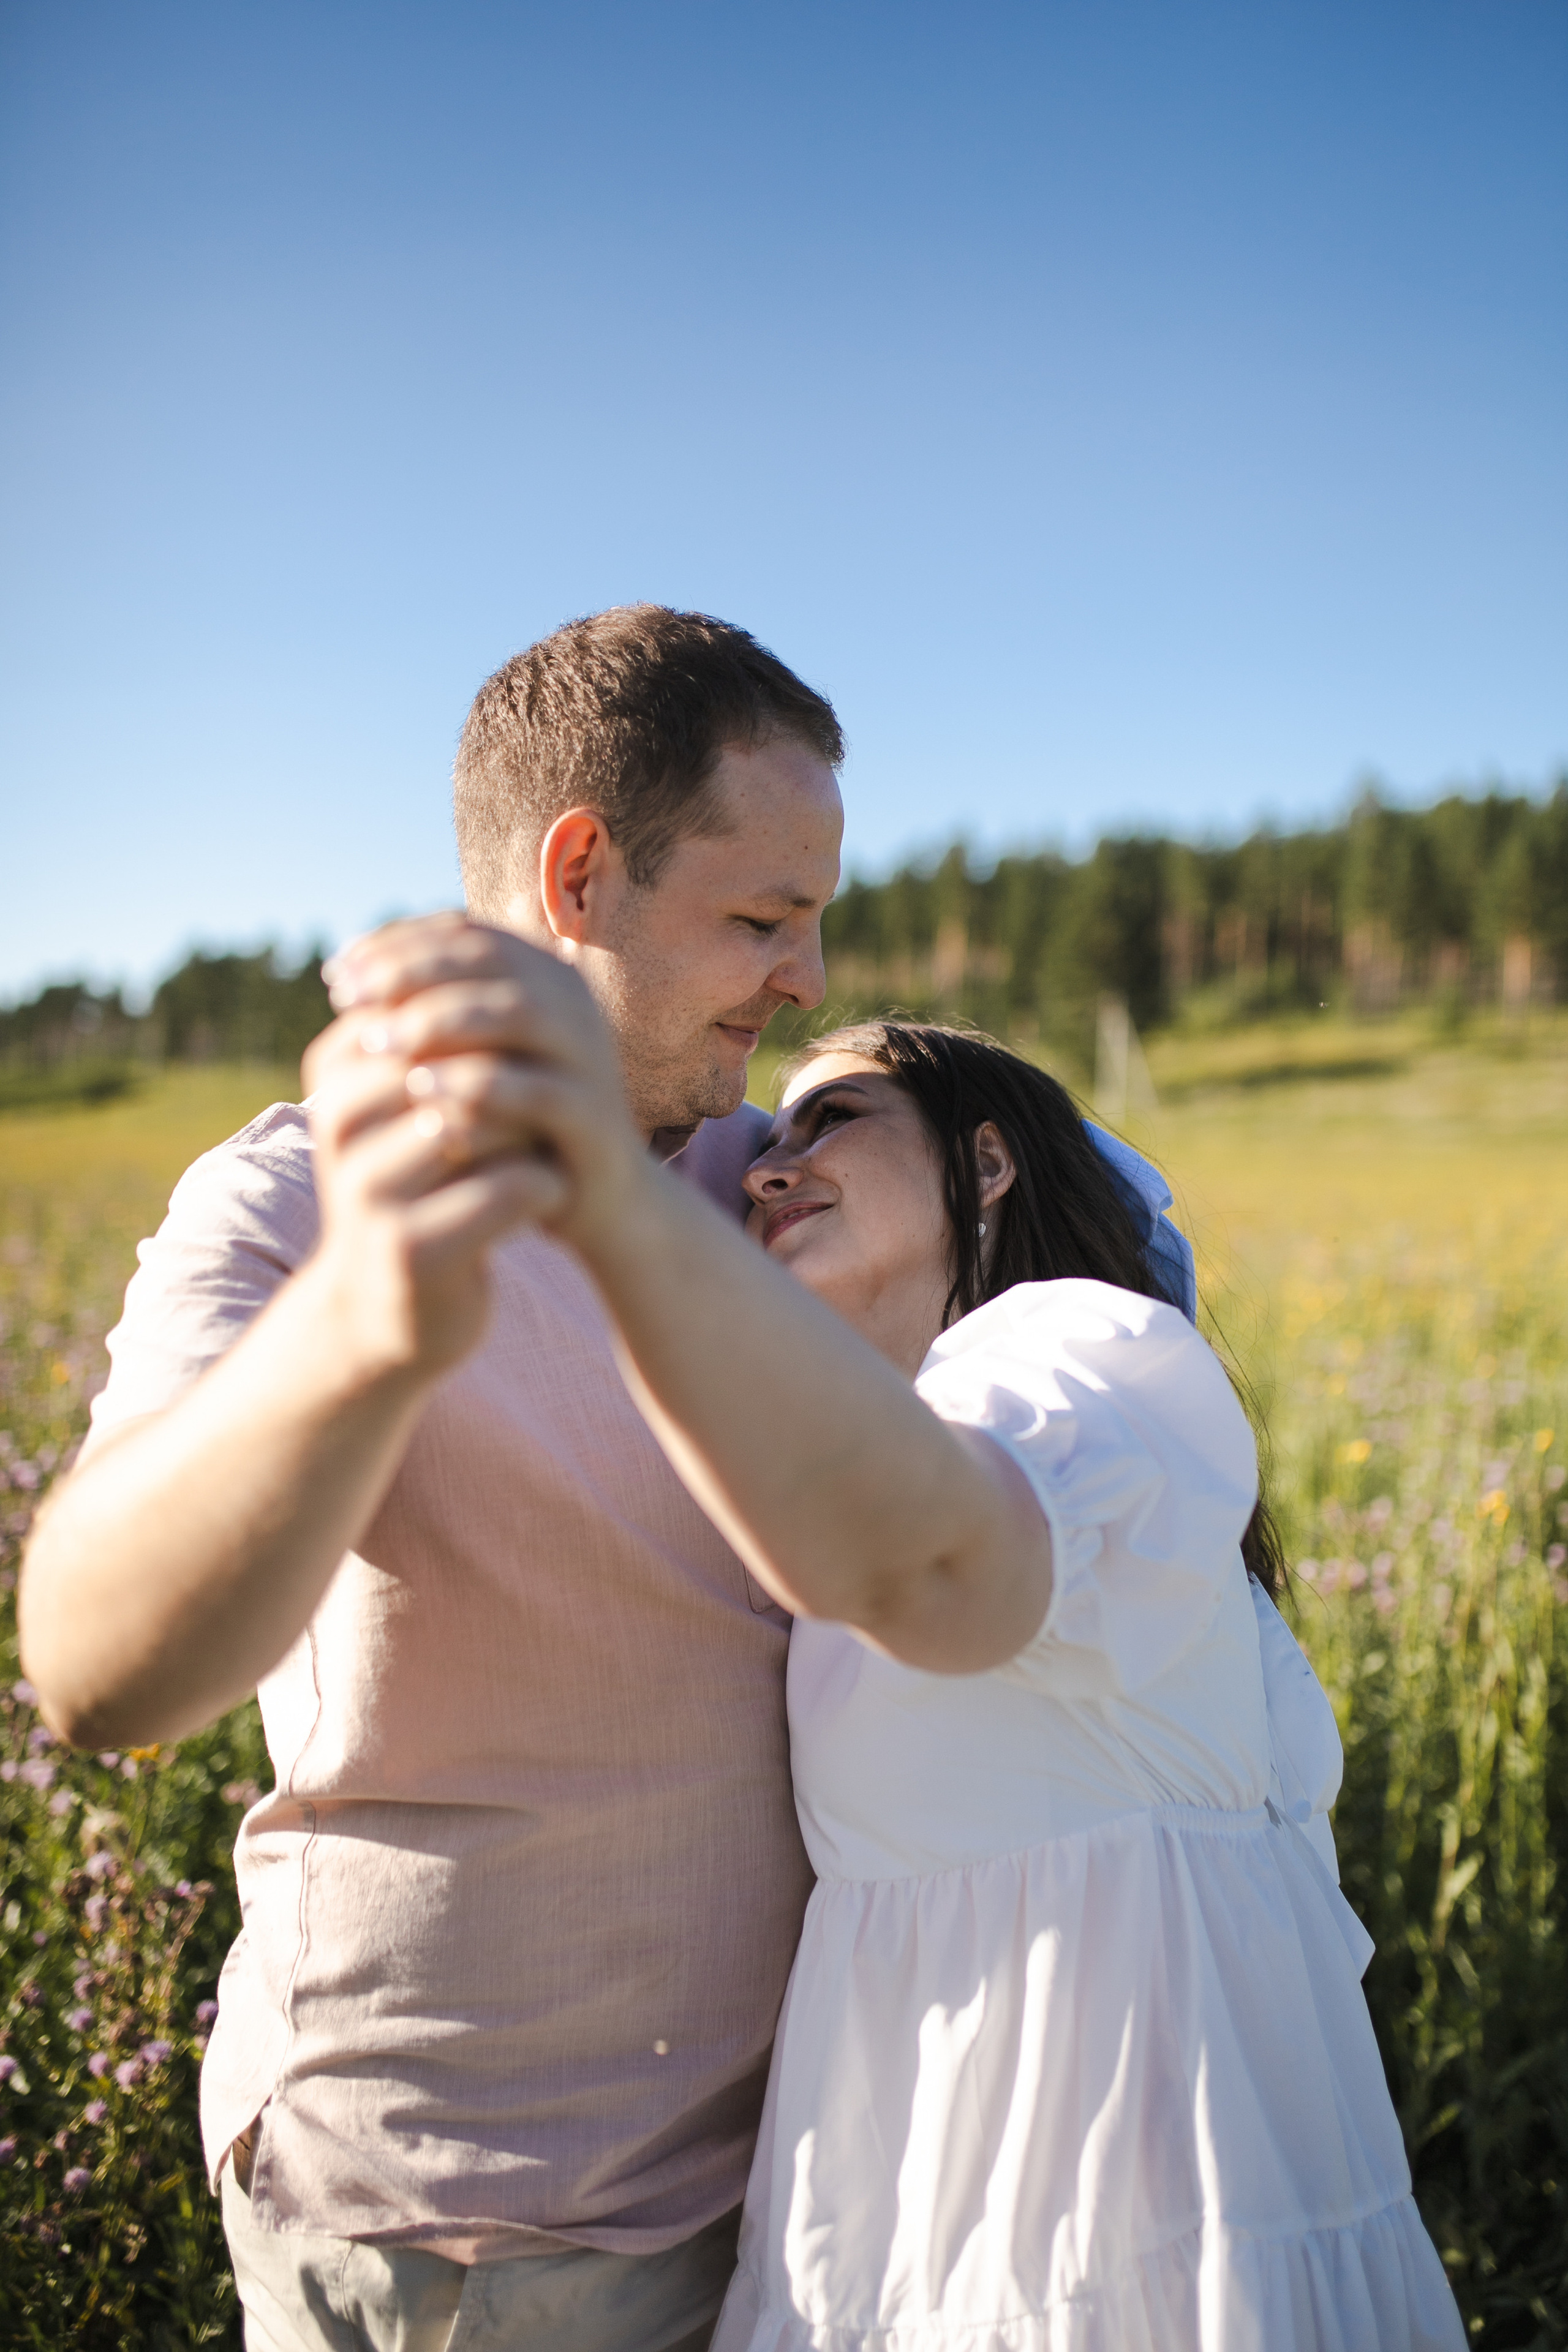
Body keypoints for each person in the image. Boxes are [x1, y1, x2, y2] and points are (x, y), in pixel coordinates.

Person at [18, 601, 1194, 2352]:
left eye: (815, 922)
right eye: (760, 920)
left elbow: (1117, 1229)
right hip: (459, 2236)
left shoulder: (786, 1182)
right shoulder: (298, 1204)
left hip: (806, 2203)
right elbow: (94, 1669)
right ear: (579, 876)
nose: (806, 979)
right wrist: (364, 1330)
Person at [278, 944, 1461, 2349]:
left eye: (832, 1119)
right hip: (899, 2202)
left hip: (1117, 2205)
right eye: (764, 1150)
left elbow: (940, 1564)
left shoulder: (1087, 1354)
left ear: (986, 1161)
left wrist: (607, 1210)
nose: (771, 1172)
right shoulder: (875, 1433)